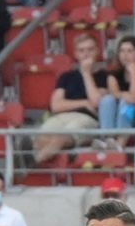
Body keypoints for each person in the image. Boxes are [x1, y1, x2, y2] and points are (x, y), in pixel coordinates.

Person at [31, 33, 112, 165]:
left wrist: (86, 73)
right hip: (62, 116)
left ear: (98, 51)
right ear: (76, 54)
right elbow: (56, 105)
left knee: (60, 139)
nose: (86, 54)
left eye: (90, 49)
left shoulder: (105, 76)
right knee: (41, 138)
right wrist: (84, 102)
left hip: (87, 118)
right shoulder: (66, 76)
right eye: (82, 50)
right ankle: (38, 162)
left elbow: (97, 102)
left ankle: (32, 166)